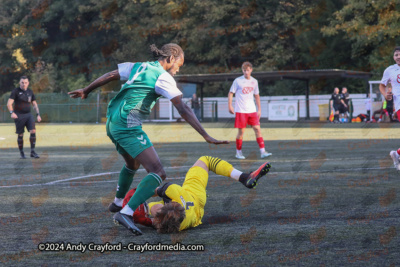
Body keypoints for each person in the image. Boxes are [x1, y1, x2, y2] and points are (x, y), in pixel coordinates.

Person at [68, 43, 228, 235]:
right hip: (127, 124)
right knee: (158, 172)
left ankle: (118, 203)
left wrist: (87, 89)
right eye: (179, 64)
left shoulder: (138, 66)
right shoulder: (163, 77)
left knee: (132, 164)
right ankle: (126, 213)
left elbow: (111, 75)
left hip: (112, 121)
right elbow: (182, 107)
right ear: (171, 58)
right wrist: (205, 134)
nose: (179, 68)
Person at [119, 156, 272, 233]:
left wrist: (140, 214)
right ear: (171, 203)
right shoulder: (173, 190)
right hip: (193, 195)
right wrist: (136, 194)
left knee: (148, 210)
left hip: (196, 214)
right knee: (205, 160)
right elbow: (153, 191)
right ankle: (244, 178)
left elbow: (158, 221)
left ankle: (130, 213)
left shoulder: (177, 225)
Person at [228, 62, 272, 159]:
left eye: (247, 70)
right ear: (242, 70)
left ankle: (263, 152)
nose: (246, 72)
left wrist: (259, 109)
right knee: (241, 132)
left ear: (251, 70)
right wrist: (230, 106)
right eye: (244, 70)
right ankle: (238, 152)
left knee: (257, 129)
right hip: (241, 111)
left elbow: (256, 95)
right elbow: (231, 93)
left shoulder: (254, 81)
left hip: (252, 110)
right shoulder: (237, 81)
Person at [7, 76, 41, 159]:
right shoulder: (15, 91)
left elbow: (34, 104)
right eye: (22, 82)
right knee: (20, 134)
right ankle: (22, 153)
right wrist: (12, 112)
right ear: (20, 83)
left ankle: (32, 152)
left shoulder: (30, 92)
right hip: (19, 115)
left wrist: (38, 114)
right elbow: (9, 104)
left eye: (25, 82)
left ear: (28, 83)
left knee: (33, 131)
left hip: (28, 115)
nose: (24, 84)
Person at [380, 46, 400, 170]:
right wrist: (385, 94)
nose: (399, 56)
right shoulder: (390, 70)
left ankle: (396, 154)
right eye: (397, 55)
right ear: (394, 57)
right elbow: (382, 85)